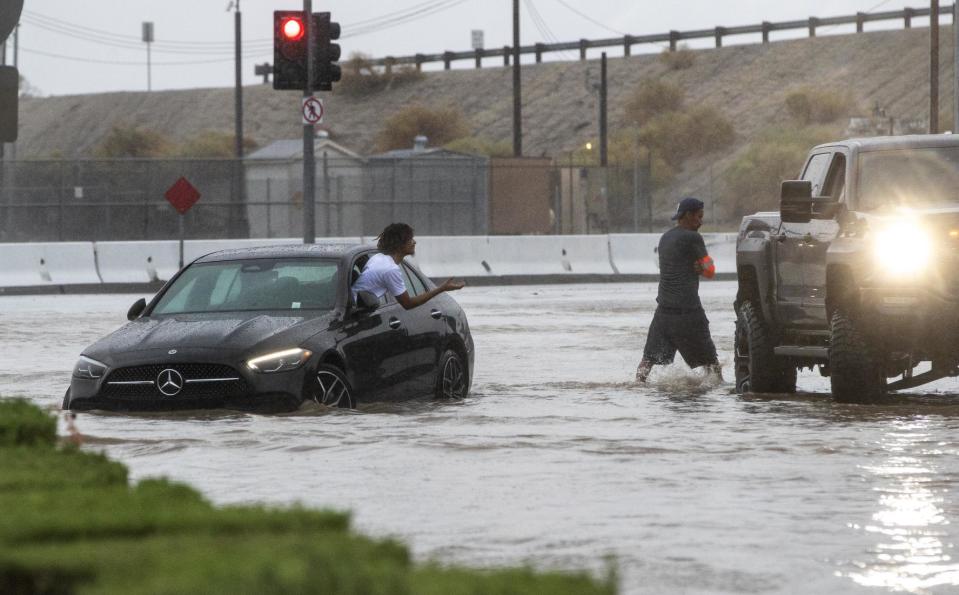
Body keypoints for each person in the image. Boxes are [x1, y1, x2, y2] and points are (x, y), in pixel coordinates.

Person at [635, 197, 722, 383]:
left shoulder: (665, 237)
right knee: (712, 365)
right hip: (688, 313)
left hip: (663, 313)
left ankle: (637, 390)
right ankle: (722, 392)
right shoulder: (693, 237)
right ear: (688, 215)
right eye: (698, 216)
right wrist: (704, 267)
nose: (701, 221)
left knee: (647, 362)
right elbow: (710, 271)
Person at [352, 222, 464, 309]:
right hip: (355, 311)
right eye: (410, 239)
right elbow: (408, 304)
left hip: (352, 306)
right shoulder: (390, 269)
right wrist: (441, 289)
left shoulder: (378, 258)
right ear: (399, 244)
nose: (414, 242)